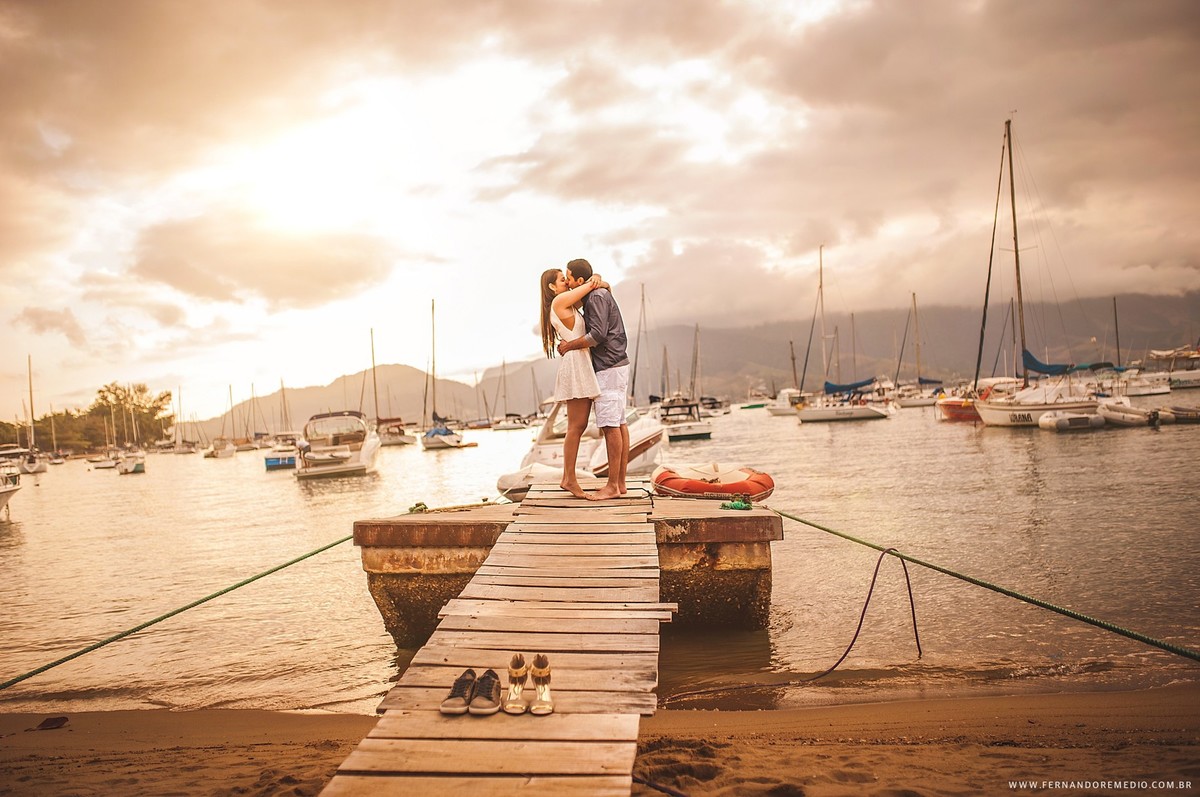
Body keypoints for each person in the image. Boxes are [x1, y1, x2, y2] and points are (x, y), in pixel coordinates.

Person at [556, 258, 630, 500]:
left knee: (610, 425)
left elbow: (597, 335)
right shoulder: (595, 294)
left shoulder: (596, 296)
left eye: (569, 277)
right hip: (615, 364)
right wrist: (599, 280)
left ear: (580, 280)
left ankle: (612, 486)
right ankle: (619, 484)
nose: (567, 282)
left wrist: (569, 346)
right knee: (619, 423)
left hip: (608, 365)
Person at [539, 267, 606, 498]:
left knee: (579, 425)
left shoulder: (567, 303)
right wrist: (595, 278)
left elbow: (597, 287)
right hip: (575, 365)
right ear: (551, 286)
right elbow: (590, 286)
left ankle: (569, 478)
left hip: (579, 362)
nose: (567, 282)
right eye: (562, 280)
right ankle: (569, 479)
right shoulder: (559, 301)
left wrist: (598, 280)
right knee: (575, 427)